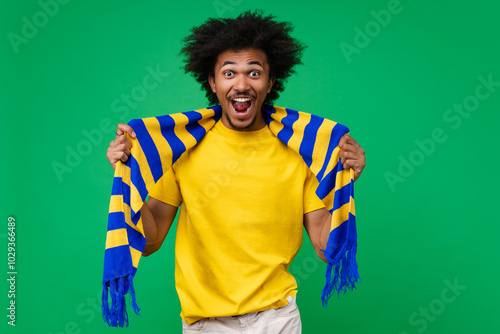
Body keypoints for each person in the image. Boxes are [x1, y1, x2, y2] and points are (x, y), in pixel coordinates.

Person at [106, 11, 366, 334]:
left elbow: (325, 246)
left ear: (270, 82)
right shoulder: (183, 148)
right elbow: (152, 236)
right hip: (205, 322)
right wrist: (127, 177)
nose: (241, 84)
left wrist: (345, 184)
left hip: (277, 318)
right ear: (213, 83)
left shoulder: (300, 151)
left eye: (253, 73)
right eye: (229, 73)